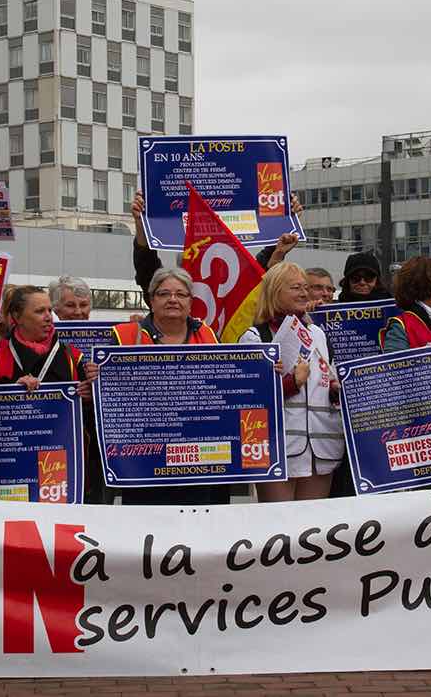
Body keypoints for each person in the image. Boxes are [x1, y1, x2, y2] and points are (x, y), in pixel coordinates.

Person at [106, 267, 222, 505]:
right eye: (164, 293)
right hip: (142, 456)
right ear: (151, 299)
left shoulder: (208, 335)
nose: (173, 299)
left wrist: (268, 369)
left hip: (198, 455)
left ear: (191, 301)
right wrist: (95, 376)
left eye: (181, 294)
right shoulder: (122, 335)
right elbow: (105, 391)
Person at [239, 262, 344, 502]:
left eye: (306, 287)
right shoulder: (256, 337)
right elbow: (247, 398)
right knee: (278, 530)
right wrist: (290, 383)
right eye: (296, 287)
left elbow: (330, 381)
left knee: (314, 529)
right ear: (275, 291)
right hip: (278, 450)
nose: (304, 293)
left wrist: (335, 390)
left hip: (322, 448)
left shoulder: (318, 334)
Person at [0, 286, 106, 503]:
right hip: (13, 460)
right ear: (17, 316)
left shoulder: (72, 356)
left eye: (49, 310)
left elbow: (97, 417)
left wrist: (90, 396)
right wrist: (11, 389)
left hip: (59, 459)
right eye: (39, 311)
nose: (48, 317)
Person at [129, 191, 304, 303]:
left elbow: (259, 272)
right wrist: (141, 222)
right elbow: (146, 265)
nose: (172, 299)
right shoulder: (167, 293)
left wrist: (287, 219)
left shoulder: (235, 297)